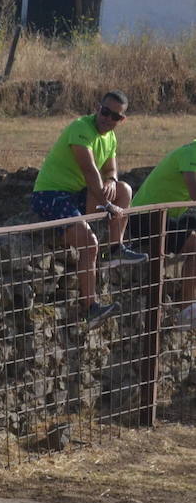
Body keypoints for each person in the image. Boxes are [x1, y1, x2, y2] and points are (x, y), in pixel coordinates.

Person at [30, 90, 147, 328]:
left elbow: (110, 170)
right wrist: (106, 204)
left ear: (121, 120)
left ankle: (115, 248)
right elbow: (89, 169)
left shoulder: (110, 138)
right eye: (105, 111)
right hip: (51, 194)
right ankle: (91, 307)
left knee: (124, 188)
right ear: (98, 108)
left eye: (114, 116)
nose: (107, 118)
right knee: (89, 243)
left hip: (78, 193)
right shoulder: (80, 128)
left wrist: (112, 183)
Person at [130, 139, 196, 328]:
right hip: (146, 217)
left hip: (167, 216)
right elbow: (194, 191)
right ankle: (187, 310)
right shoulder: (190, 153)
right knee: (194, 245)